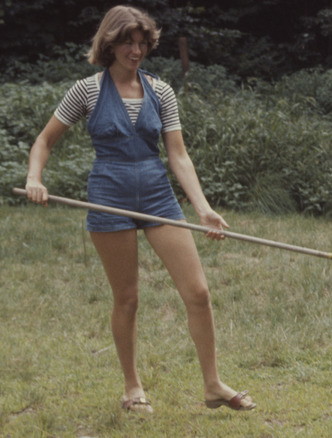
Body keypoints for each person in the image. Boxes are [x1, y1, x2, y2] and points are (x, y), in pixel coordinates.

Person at [24, 5, 255, 413]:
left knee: (198, 293)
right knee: (127, 299)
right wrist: (35, 178)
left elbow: (178, 156)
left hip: (156, 196)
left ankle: (213, 385)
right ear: (109, 44)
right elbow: (44, 141)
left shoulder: (160, 91)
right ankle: (132, 388)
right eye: (127, 42)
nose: (136, 50)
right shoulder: (87, 90)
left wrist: (202, 209)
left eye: (142, 43)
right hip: (107, 197)